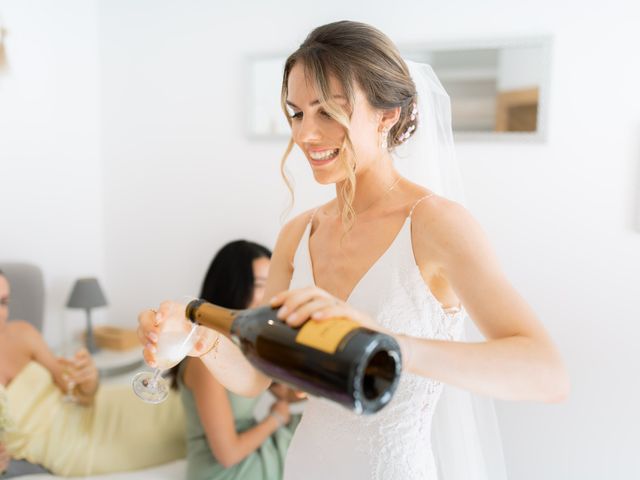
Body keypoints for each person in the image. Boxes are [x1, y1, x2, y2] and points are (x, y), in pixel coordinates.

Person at [139, 21, 570, 480]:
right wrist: (198, 341)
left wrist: (388, 346)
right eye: (297, 113)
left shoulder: (436, 225)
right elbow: (256, 375)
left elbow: (546, 374)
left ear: (387, 115)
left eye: (327, 112)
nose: (306, 134)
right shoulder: (296, 235)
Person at [0, 269, 185, 477]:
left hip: (97, 407)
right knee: (179, 431)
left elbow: (79, 395)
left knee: (177, 400)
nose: (1, 313)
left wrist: (88, 380)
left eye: (4, 302)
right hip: (74, 448)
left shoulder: (22, 333)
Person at [167, 240, 302, 480]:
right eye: (261, 285)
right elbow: (227, 454)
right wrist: (275, 419)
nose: (272, 293)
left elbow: (284, 391)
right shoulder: (206, 355)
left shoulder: (248, 342)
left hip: (251, 449)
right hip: (227, 470)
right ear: (234, 288)